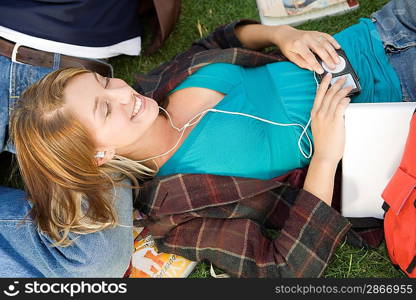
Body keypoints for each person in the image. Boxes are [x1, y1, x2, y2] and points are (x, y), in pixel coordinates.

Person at [8, 0, 416, 277]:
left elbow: (219, 40)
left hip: (379, 35)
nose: (122, 94)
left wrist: (282, 36)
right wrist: (325, 158)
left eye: (105, 82)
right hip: (396, 109)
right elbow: (282, 266)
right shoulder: (177, 211)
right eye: (104, 108)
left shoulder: (157, 86)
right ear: (98, 154)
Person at [0, 0, 176, 277]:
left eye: (106, 82)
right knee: (94, 262)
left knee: (91, 257)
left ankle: (95, 143)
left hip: (70, 89)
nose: (124, 92)